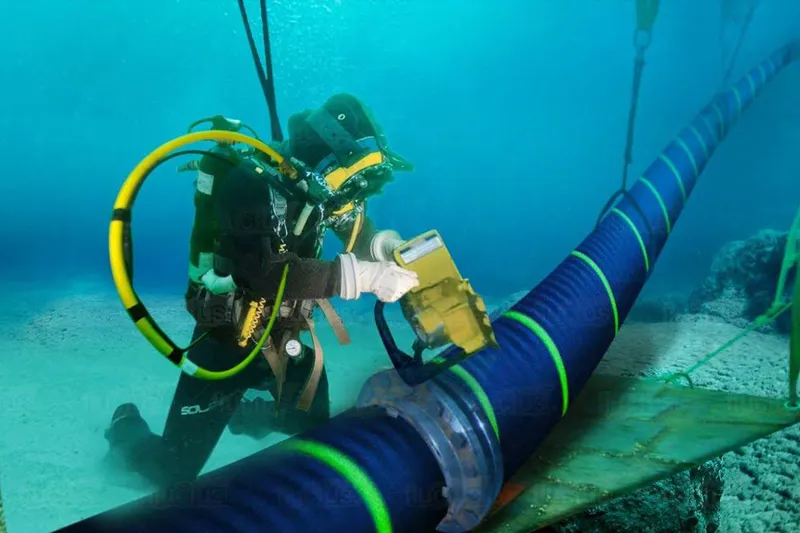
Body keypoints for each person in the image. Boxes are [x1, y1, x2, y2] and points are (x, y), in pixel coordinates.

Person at [104, 93, 420, 489]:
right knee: (171, 471)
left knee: (313, 427)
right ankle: (125, 429)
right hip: (225, 342)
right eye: (347, 179)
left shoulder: (322, 194)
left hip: (284, 338)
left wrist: (387, 248)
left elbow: (356, 232)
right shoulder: (248, 184)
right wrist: (367, 278)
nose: (348, 195)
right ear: (324, 157)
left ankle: (249, 416)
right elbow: (262, 273)